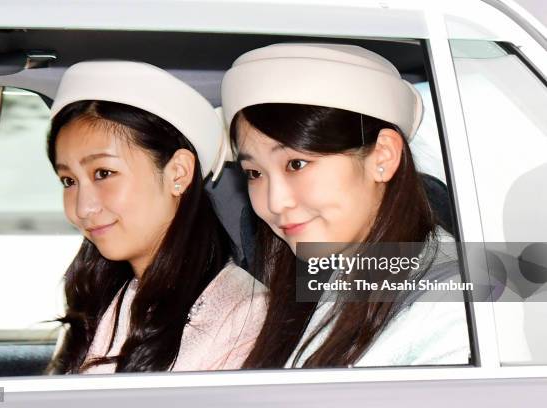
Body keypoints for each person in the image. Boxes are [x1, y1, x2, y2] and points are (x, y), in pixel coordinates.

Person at [218, 43, 470, 368]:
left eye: (297, 164)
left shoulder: (451, 301)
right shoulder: (327, 277)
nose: (275, 202)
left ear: (383, 156)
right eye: (254, 173)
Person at [45, 61, 266, 374]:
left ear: (178, 173)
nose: (82, 208)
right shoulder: (101, 298)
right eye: (69, 181)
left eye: (104, 173)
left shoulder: (243, 315)